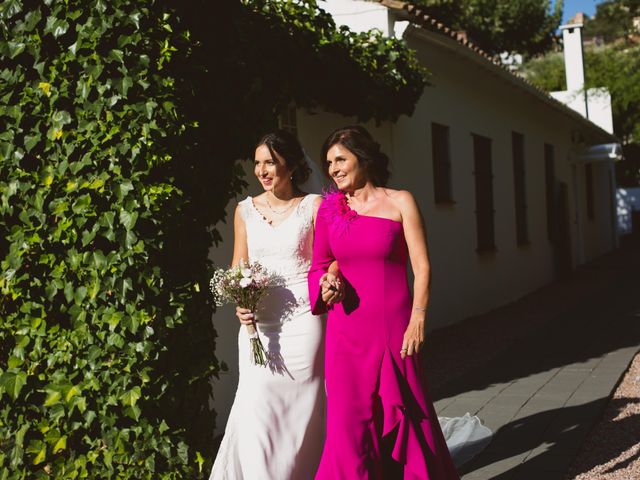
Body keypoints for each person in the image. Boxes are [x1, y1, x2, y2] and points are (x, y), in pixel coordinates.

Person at [308, 125, 460, 479]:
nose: (333, 168)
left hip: (395, 329)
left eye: (340, 159)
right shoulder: (329, 212)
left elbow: (422, 267)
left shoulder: (400, 201)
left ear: (364, 158)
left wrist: (418, 317)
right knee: (349, 427)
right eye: (329, 162)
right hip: (346, 334)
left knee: (408, 414)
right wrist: (327, 285)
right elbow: (318, 267)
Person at [210, 130, 341, 480]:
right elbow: (239, 264)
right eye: (257, 163)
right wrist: (239, 299)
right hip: (257, 326)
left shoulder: (314, 206)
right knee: (255, 406)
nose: (262, 171)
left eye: (271, 162)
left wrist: (332, 279)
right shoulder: (244, 211)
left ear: (292, 165)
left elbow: (331, 258)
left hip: (304, 320)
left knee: (303, 408)